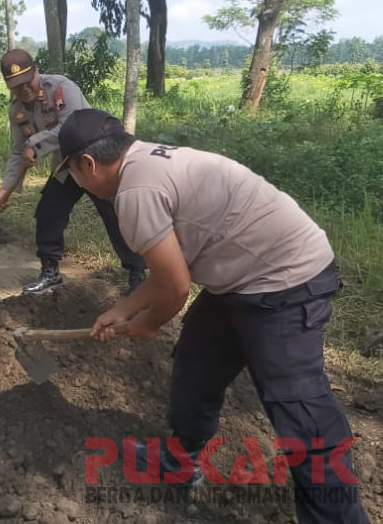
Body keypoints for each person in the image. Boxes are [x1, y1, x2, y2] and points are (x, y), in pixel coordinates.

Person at [56, 108, 369, 524]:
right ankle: (180, 462)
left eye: (71, 172)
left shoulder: (135, 192)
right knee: (197, 364)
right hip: (241, 278)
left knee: (300, 408)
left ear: (88, 163)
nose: (75, 182)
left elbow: (175, 288)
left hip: (286, 281)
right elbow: (170, 269)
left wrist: (148, 324)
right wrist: (124, 308)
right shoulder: (149, 159)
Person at [0, 49, 145, 295]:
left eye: (27, 81)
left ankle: (138, 273)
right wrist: (5, 188)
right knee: (48, 212)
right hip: (66, 166)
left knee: (115, 214)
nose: (24, 89)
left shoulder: (62, 88)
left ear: (36, 71)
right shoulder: (17, 111)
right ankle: (50, 271)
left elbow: (69, 127)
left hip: (95, 161)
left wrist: (34, 145)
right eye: (16, 86)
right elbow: (18, 150)